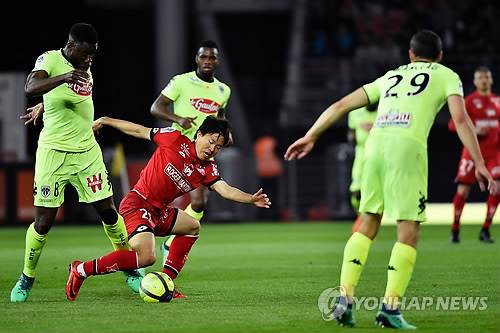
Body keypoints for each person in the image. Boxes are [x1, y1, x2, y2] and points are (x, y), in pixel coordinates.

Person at [284, 30, 498, 329]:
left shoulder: (390, 76)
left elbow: (339, 106)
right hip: (406, 150)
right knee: (408, 231)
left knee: (368, 221)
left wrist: (311, 135)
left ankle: (344, 299)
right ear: (440, 56)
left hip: (374, 147)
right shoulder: (447, 75)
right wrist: (479, 162)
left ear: (410, 55)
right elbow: (461, 120)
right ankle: (390, 308)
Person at [65, 115, 270, 301]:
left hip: (159, 211)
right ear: (199, 134)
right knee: (147, 257)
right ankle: (81, 269)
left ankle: (166, 282)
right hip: (138, 203)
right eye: (211, 141)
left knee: (192, 226)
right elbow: (139, 130)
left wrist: (251, 198)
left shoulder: (207, 168)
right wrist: (106, 121)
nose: (212, 149)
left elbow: (225, 190)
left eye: (218, 147)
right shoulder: (173, 138)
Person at [11, 22, 141, 303]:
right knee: (43, 222)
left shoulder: (83, 67)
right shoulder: (51, 60)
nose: (89, 59)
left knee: (108, 211)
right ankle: (26, 277)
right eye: (85, 54)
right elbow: (30, 86)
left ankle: (130, 269)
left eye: (92, 55)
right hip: (53, 153)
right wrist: (62, 78)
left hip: (86, 152)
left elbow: (72, 99)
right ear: (70, 47)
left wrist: (45, 104)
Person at [150, 40, 231, 265]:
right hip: (179, 148)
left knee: (199, 204)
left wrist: (226, 134)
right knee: (166, 196)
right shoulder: (181, 82)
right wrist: (178, 119)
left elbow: (220, 117)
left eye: (212, 57)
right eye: (203, 57)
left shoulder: (223, 90)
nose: (207, 61)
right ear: (196, 59)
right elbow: (156, 107)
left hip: (205, 151)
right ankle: (151, 234)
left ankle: (168, 242)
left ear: (217, 61)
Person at [448, 66, 500, 243]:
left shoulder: (497, 101)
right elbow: (452, 124)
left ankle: (485, 229)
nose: (484, 80)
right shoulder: (468, 102)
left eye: (487, 77)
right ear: (475, 81)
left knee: (497, 188)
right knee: (463, 190)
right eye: (481, 78)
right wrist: (475, 130)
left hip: (494, 154)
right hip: (471, 154)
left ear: (491, 80)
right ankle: (455, 229)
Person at [347, 103, 378, 232]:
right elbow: (351, 132)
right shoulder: (355, 113)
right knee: (356, 192)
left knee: (375, 191)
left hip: (378, 154)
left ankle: (369, 222)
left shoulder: (385, 111)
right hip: (361, 155)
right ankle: (363, 219)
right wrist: (352, 137)